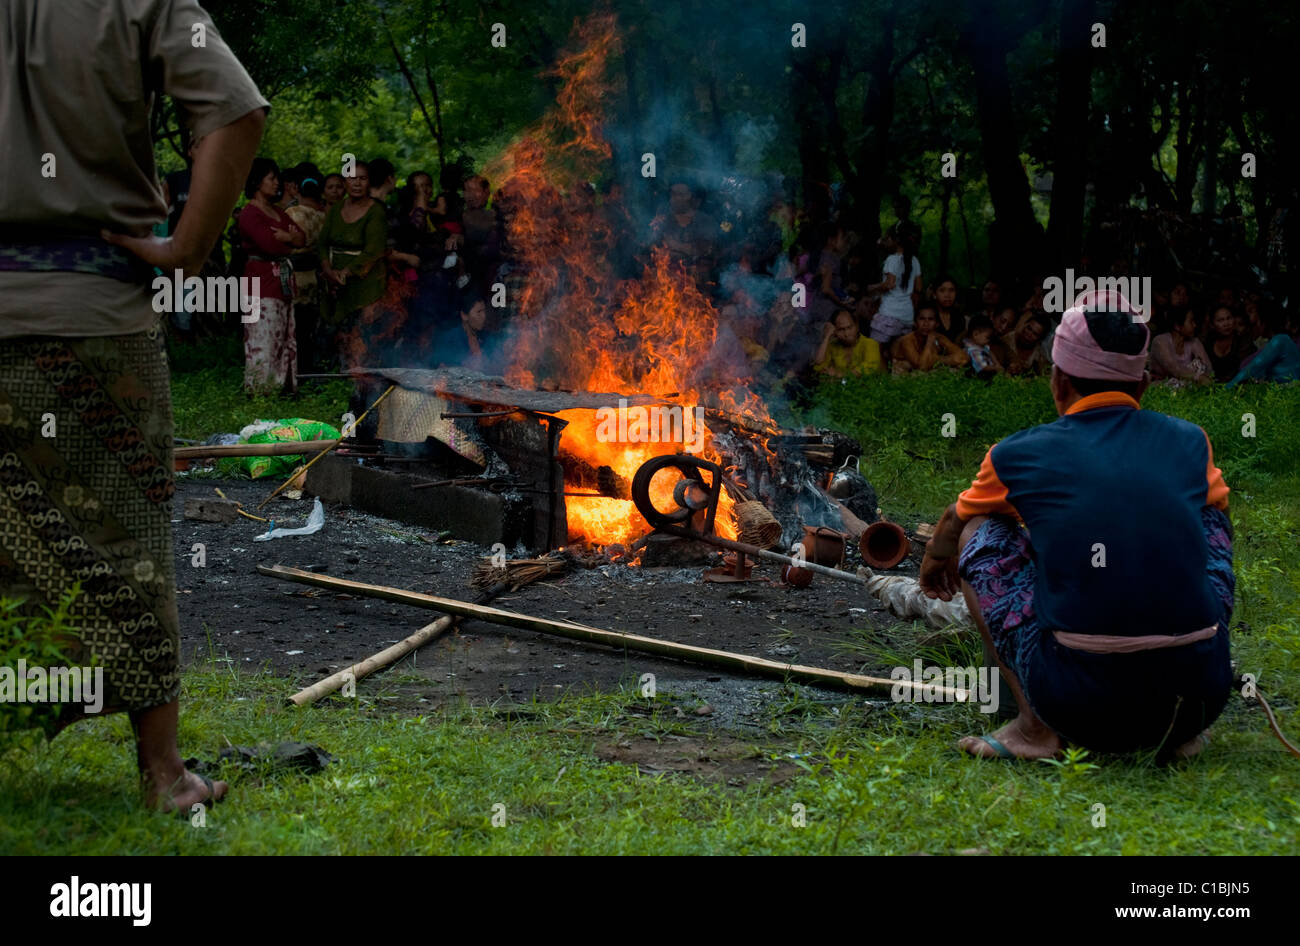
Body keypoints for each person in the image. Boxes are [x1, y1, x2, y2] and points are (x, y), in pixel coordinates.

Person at [0, 0, 267, 811]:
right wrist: (189, 247)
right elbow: (236, 107)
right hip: (91, 316)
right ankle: (161, 774)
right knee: (125, 539)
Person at [919, 292, 1234, 761]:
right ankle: (1176, 727)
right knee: (1211, 511)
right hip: (1197, 699)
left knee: (977, 528)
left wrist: (935, 559)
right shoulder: (1190, 441)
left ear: (1058, 381)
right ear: (1144, 385)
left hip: (1076, 701)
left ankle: (1035, 729)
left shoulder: (1016, 454)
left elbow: (954, 520)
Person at [237, 158, 305, 394]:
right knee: (263, 337)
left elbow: (302, 238)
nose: (277, 183)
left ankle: (284, 387)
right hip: (259, 282)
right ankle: (261, 390)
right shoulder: (249, 213)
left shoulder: (277, 212)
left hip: (282, 282)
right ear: (257, 181)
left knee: (285, 335)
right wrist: (289, 239)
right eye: (272, 178)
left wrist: (287, 238)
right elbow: (268, 244)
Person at [318, 162, 388, 368]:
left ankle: (359, 380)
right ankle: (329, 378)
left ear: (368, 183)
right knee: (332, 333)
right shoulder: (336, 208)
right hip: (333, 281)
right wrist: (328, 269)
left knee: (361, 337)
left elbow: (373, 250)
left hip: (365, 284)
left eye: (362, 178)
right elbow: (322, 243)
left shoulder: (376, 212)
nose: (357, 183)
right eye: (352, 178)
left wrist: (346, 273)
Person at [867, 222, 923, 345]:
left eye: (887, 239)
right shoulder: (915, 260)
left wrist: (871, 288)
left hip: (889, 314)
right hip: (907, 316)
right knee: (899, 352)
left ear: (895, 240)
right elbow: (918, 287)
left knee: (876, 349)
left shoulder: (892, 259)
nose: (885, 242)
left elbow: (889, 284)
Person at [1225, 308, 1300, 388]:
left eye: (1255, 322)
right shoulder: (1282, 343)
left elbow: (1253, 367)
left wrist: (1225, 389)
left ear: (1263, 323)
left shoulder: (1281, 340)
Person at [890, 303, 966, 373]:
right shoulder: (907, 340)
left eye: (930, 319)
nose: (926, 323)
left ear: (937, 324)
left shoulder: (939, 337)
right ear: (915, 323)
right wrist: (929, 343)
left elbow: (963, 358)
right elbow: (921, 367)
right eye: (922, 319)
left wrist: (937, 359)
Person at [813, 308, 883, 378]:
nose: (846, 334)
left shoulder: (870, 344)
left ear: (857, 326)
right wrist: (827, 336)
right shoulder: (832, 346)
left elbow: (868, 368)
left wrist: (839, 374)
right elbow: (819, 365)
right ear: (835, 331)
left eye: (850, 327)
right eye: (841, 329)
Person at [1149, 308, 1212, 385]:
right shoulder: (1160, 341)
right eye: (1191, 321)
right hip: (1163, 386)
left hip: (1185, 384)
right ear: (1177, 326)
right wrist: (1198, 377)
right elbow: (1174, 370)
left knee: (1199, 364)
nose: (1195, 325)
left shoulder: (1194, 341)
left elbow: (1208, 369)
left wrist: (1204, 378)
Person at [1204, 305, 1246, 383]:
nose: (1226, 323)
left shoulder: (1242, 341)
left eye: (1229, 318)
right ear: (1212, 325)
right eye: (1220, 320)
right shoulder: (1208, 343)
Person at [961, 315, 1004, 379]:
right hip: (980, 374)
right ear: (975, 334)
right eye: (987, 337)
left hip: (989, 368)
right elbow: (983, 367)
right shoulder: (973, 350)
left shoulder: (980, 345)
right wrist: (996, 368)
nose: (989, 340)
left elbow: (989, 351)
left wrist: (997, 364)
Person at [932, 276, 966, 342]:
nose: (947, 295)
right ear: (934, 294)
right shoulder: (928, 316)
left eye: (951, 290)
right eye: (942, 290)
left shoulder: (959, 317)